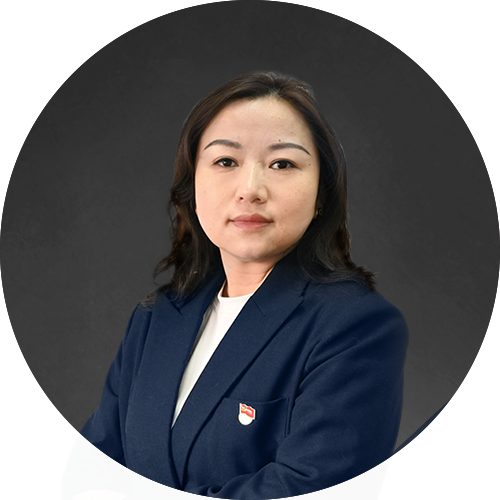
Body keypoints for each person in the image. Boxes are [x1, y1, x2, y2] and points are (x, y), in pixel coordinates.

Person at [61, 71, 408, 500]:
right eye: (226, 161)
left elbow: (311, 490)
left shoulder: (357, 325)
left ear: (321, 193)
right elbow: (91, 467)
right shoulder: (156, 319)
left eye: (282, 164)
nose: (250, 189)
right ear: (192, 186)